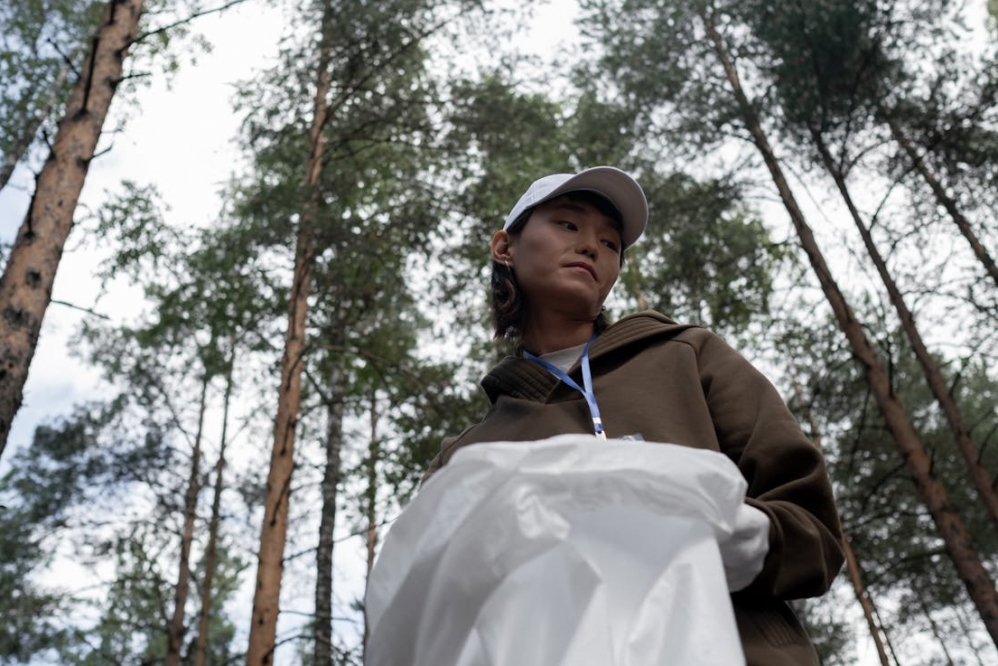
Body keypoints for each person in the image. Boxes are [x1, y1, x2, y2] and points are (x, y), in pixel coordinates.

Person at [422, 166, 844, 666]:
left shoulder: (687, 355)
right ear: (505, 247)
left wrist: (717, 531)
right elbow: (438, 613)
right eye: (568, 224)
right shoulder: (467, 457)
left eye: (611, 242)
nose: (592, 246)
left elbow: (813, 533)